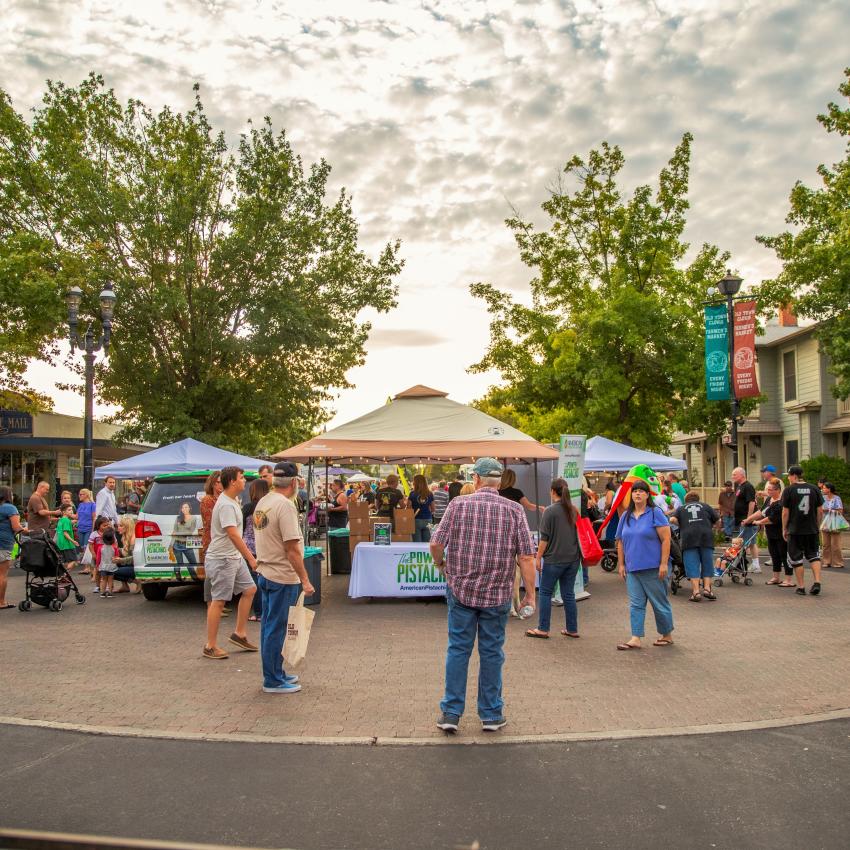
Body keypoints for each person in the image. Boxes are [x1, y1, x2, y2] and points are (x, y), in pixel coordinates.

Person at [430, 457, 535, 734]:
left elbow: (436, 543)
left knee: (458, 650)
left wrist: (441, 565)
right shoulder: (513, 510)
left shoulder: (458, 505)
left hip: (461, 590)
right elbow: (526, 556)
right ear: (498, 482)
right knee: (491, 653)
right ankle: (490, 714)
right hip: (498, 594)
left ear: (475, 479)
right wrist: (530, 595)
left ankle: (451, 713)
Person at [253, 461, 316, 694]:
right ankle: (273, 679)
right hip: (281, 575)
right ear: (294, 482)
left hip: (266, 571)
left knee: (270, 627)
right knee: (276, 628)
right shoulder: (285, 506)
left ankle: (275, 673)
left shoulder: (264, 501)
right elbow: (292, 549)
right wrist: (306, 580)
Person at [202, 466, 258, 660]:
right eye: (242, 478)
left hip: (232, 556)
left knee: (250, 589)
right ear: (232, 481)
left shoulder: (232, 500)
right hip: (222, 558)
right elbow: (233, 534)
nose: (244, 481)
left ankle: (240, 633)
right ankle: (210, 646)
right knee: (218, 601)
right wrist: (251, 558)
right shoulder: (226, 504)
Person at [615, 480, 674, 650]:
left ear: (648, 495)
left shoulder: (655, 513)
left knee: (659, 602)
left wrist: (663, 564)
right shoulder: (626, 516)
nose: (638, 494)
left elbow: (666, 539)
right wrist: (621, 564)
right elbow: (620, 543)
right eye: (635, 491)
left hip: (653, 568)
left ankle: (666, 634)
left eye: (641, 491)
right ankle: (635, 637)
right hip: (633, 568)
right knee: (636, 604)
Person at [525, 478, 581, 640]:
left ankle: (543, 628)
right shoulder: (573, 510)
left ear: (552, 491)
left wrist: (538, 557)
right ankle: (572, 628)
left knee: (545, 592)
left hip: (554, 559)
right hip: (573, 558)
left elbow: (545, 538)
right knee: (568, 594)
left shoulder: (550, 511)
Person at [782, 465, 825, 596]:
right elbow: (820, 510)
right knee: (814, 555)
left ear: (794, 475)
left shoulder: (789, 490)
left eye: (789, 476)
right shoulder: (814, 489)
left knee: (796, 559)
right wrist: (817, 525)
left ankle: (801, 587)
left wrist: (784, 528)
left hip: (795, 530)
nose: (788, 478)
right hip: (811, 529)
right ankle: (817, 582)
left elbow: (785, 512)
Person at [744, 478, 794, 587]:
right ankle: (776, 577)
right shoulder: (769, 500)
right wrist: (749, 519)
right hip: (771, 533)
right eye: (768, 489)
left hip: (781, 532)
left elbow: (771, 519)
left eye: (771, 490)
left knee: (784, 555)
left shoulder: (781, 502)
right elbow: (761, 512)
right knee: (774, 555)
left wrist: (758, 522)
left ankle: (788, 579)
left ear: (778, 490)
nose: (768, 492)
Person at [670, 492, 719, 602]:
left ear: (686, 500)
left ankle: (696, 592)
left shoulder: (681, 508)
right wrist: (711, 526)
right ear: (698, 499)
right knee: (707, 563)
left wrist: (681, 525)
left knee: (692, 564)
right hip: (706, 537)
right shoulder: (706, 506)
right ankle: (707, 589)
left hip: (689, 538)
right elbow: (718, 520)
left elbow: (672, 520)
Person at [242, 477, 269, 622]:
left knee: (254, 580)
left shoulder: (248, 507)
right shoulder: (270, 507)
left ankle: (259, 613)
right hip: (265, 546)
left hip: (249, 547)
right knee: (266, 578)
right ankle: (265, 612)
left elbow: (241, 528)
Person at [732, 467, 760, 573]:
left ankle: (752, 564)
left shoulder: (748, 486)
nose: (733, 476)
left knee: (746, 542)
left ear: (742, 475)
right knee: (749, 542)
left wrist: (749, 518)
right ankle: (754, 564)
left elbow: (751, 502)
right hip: (741, 519)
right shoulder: (739, 486)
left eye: (735, 474)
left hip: (746, 520)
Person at [0, 486, 24, 609]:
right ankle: (1, 602)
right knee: (2, 574)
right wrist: (25, 530)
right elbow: (16, 527)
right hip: (3, 544)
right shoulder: (10, 508)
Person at [821, 482, 845, 569]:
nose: (823, 489)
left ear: (829, 489)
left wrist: (829, 510)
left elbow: (840, 510)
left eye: (824, 488)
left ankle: (838, 562)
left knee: (836, 544)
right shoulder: (822, 498)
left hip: (835, 523)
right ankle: (826, 562)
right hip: (825, 523)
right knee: (825, 544)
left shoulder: (837, 498)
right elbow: (820, 509)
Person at [172, 503, 201, 577]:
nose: (184, 509)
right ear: (181, 509)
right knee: (179, 563)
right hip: (177, 544)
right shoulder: (178, 518)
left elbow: (191, 531)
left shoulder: (193, 518)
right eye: (183, 507)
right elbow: (174, 531)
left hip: (187, 543)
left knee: (193, 562)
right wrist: (171, 545)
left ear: (189, 508)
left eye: (186, 507)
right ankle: (177, 573)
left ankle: (191, 572)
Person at [114, 514, 140, 593]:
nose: (118, 528)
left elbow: (135, 558)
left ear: (127, 526)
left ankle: (137, 581)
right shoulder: (125, 537)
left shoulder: (133, 539)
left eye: (121, 526)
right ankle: (125, 586)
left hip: (136, 567)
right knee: (108, 566)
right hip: (130, 565)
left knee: (110, 571)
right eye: (118, 525)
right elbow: (126, 552)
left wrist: (121, 560)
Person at [87, 515, 112, 593]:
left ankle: (107, 586)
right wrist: (93, 553)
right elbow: (90, 544)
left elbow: (115, 543)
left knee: (107, 571)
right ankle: (97, 586)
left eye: (108, 525)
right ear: (98, 526)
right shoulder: (94, 534)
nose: (106, 527)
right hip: (97, 556)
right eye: (104, 525)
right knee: (97, 572)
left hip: (107, 556)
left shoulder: (110, 533)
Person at [408, 474, 434, 542]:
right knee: (427, 544)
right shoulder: (430, 494)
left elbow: (408, 508)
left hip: (416, 520)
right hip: (428, 519)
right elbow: (433, 508)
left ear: (415, 483)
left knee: (417, 543)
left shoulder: (412, 494)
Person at [76, 489, 96, 572]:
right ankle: (88, 567)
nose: (79, 496)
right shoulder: (80, 505)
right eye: (79, 494)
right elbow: (77, 517)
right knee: (82, 548)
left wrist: (93, 530)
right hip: (80, 528)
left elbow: (94, 518)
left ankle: (87, 567)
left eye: (81, 494)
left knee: (86, 547)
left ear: (87, 495)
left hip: (88, 528)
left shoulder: (92, 505)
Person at [96, 528, 120, 598]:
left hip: (103, 567)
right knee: (110, 580)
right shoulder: (114, 548)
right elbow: (117, 556)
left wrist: (97, 565)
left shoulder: (100, 548)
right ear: (113, 539)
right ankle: (110, 592)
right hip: (112, 567)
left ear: (103, 539)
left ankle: (102, 593)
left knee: (103, 580)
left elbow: (98, 558)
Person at [54, 505, 79, 572]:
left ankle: (62, 575)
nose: (71, 511)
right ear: (64, 512)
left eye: (71, 510)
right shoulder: (66, 520)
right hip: (68, 544)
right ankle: (64, 573)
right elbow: (65, 533)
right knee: (74, 560)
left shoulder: (61, 520)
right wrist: (73, 541)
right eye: (69, 510)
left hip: (60, 544)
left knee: (65, 562)